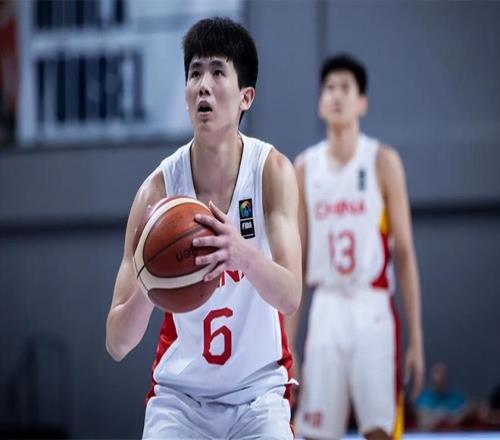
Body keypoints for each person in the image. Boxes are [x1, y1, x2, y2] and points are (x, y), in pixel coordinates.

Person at [105, 17, 302, 439]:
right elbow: (116, 343)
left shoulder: (271, 172)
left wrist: (242, 254)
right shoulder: (157, 192)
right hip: (180, 399)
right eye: (195, 73)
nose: (203, 86)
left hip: (258, 395)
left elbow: (290, 296)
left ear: (246, 96)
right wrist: (149, 283)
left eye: (217, 72)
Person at [287, 54, 425, 440]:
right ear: (320, 102)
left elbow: (404, 253)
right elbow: (296, 262)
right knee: (314, 433)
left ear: (362, 102)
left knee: (379, 431)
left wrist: (416, 337)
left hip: (372, 306)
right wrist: (288, 342)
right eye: (329, 88)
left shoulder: (383, 161)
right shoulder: (304, 167)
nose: (336, 95)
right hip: (326, 306)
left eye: (345, 88)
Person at [415, 362, 470, 431]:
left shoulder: (457, 397)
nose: (441, 376)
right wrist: (438, 416)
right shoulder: (423, 398)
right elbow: (422, 423)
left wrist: (450, 417)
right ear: (431, 376)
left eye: (444, 373)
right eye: (437, 372)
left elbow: (466, 413)